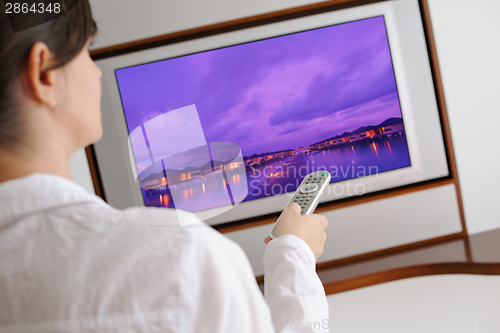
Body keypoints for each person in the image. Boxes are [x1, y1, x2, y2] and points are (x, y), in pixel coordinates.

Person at [0, 1, 329, 332]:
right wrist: (293, 256)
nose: (97, 70)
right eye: (88, 50)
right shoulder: (179, 261)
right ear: (44, 73)